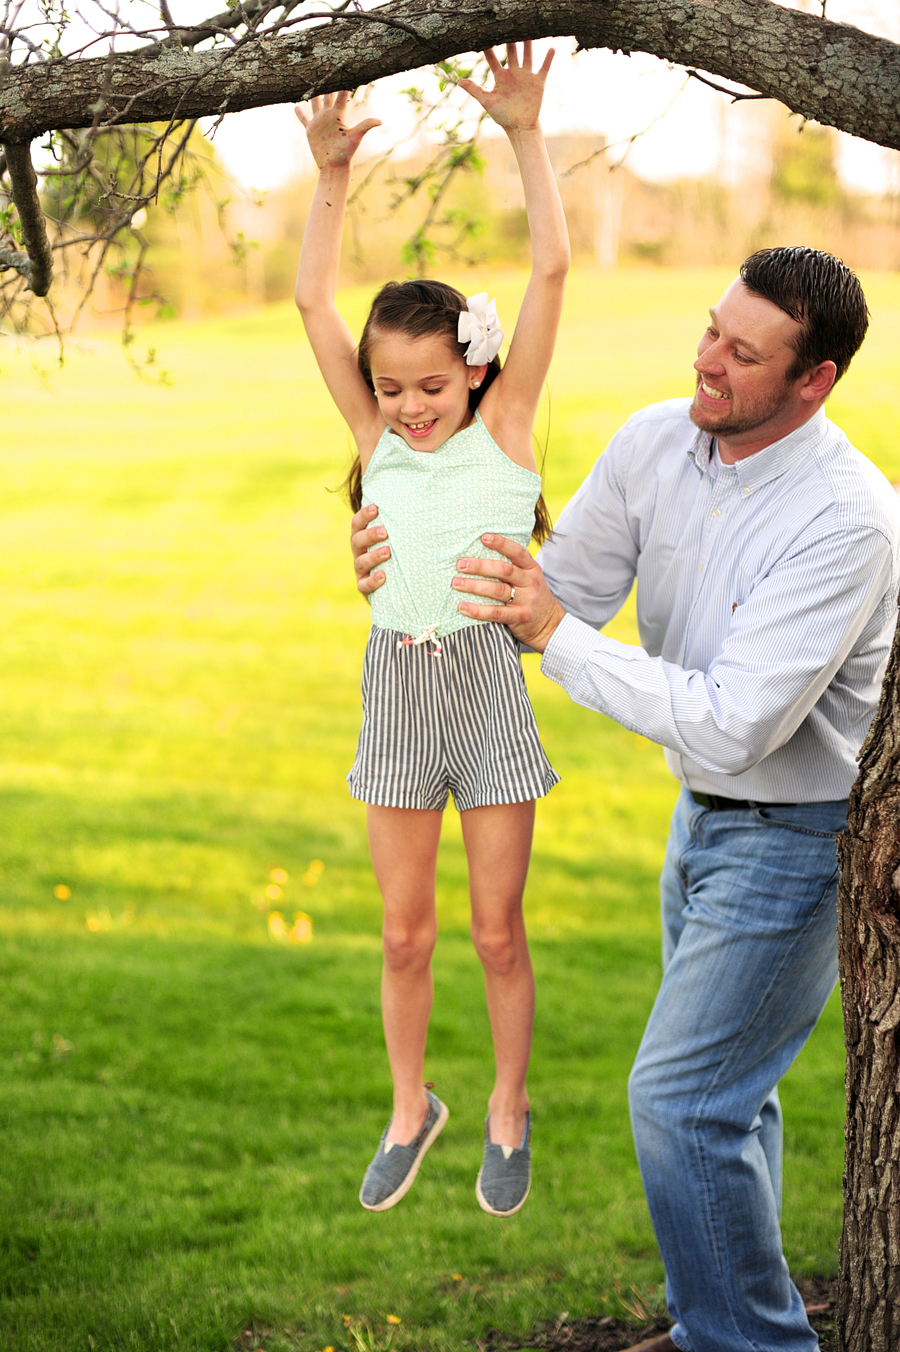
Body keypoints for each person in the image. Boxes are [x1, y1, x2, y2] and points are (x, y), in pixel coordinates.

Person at [352, 247, 900, 1350]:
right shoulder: (660, 439)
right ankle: (750, 1323)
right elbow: (559, 586)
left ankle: (743, 1341)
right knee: (728, 1103)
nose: (706, 361)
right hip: (702, 822)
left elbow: (738, 720)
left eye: (742, 353)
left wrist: (554, 634)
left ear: (815, 380)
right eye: (710, 328)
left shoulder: (849, 520)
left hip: (799, 836)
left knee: (681, 1101)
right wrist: (411, 563)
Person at [294, 42, 569, 1218]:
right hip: (397, 689)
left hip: (485, 687)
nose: (406, 407)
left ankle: (507, 1105)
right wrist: (329, 172)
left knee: (495, 930)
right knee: (406, 934)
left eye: (427, 387)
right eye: (387, 387)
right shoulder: (372, 441)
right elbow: (311, 298)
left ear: (471, 371)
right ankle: (414, 1106)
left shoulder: (504, 430)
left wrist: (522, 131)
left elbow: (553, 267)